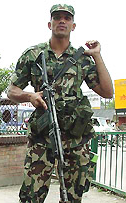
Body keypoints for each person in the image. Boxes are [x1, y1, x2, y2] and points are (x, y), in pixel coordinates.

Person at [7, 4, 113, 203]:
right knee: (31, 196)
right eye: (57, 18)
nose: (62, 21)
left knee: (73, 197)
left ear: (73, 25)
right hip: (42, 135)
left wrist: (97, 55)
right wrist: (30, 96)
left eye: (66, 18)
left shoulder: (82, 59)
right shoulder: (33, 55)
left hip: (74, 137)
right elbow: (12, 90)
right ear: (50, 24)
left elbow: (107, 92)